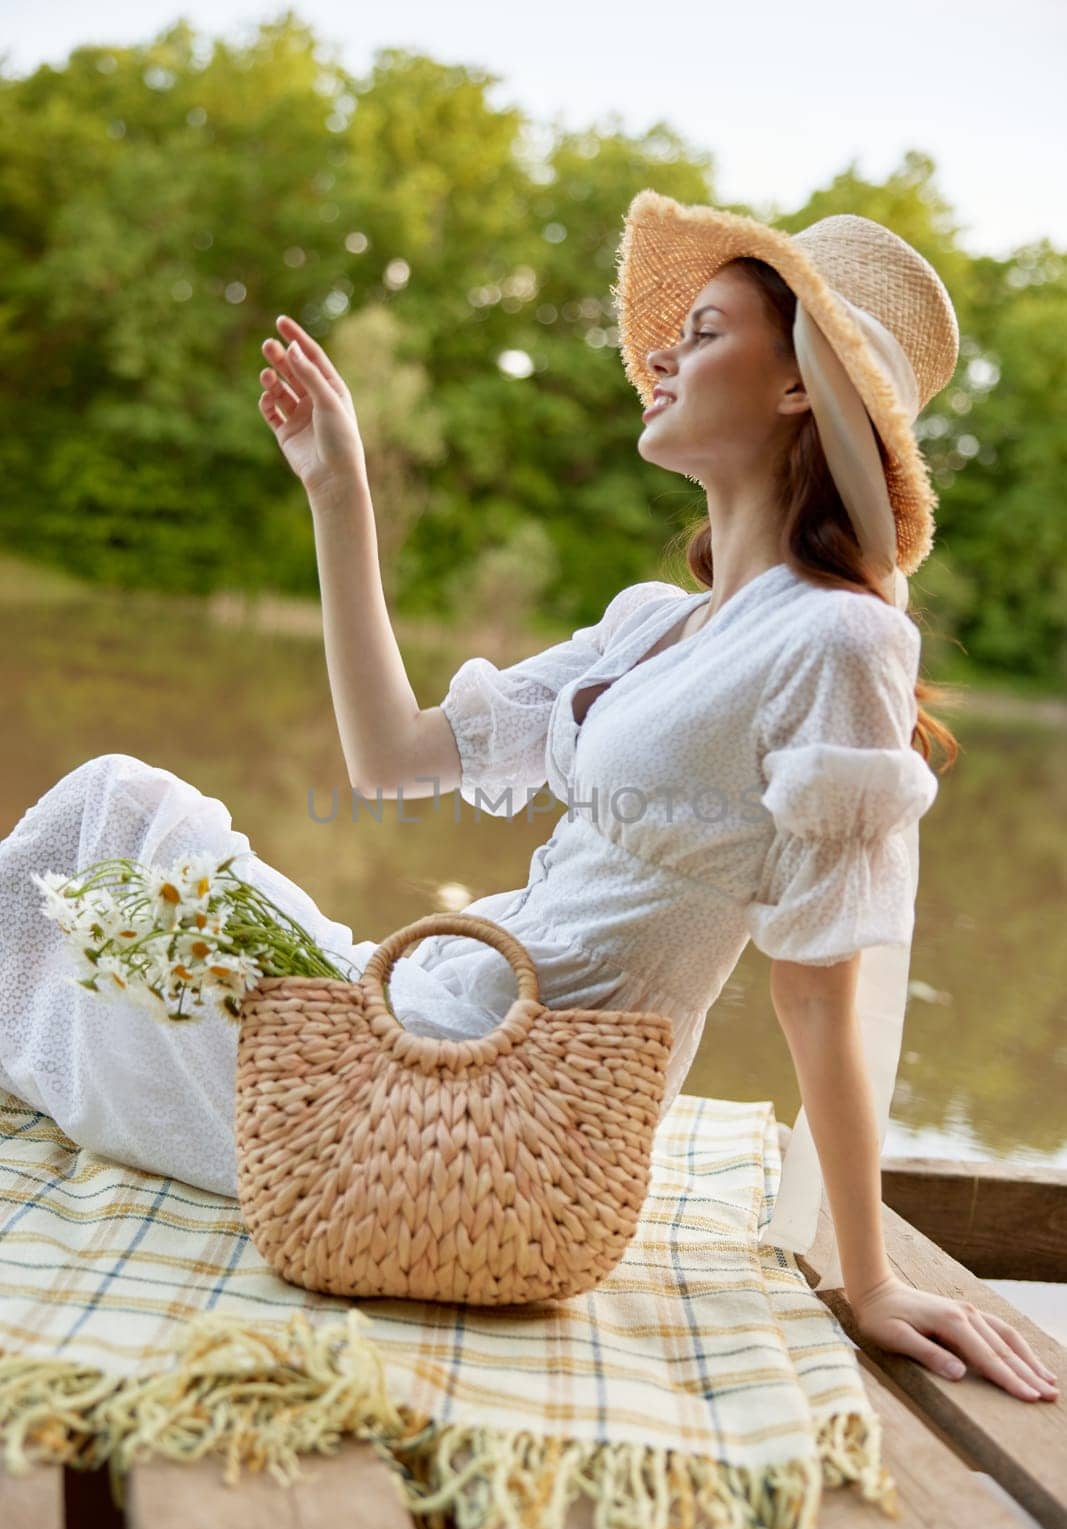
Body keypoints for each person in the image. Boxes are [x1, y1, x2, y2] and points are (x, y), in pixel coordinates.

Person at [0, 192, 1056, 1406]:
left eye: (704, 332)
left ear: (796, 386)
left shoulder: (836, 640)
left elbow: (821, 984)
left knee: (86, 910)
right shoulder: (654, 623)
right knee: (115, 807)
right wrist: (337, 491)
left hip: (493, 1121)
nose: (659, 357)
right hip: (433, 1006)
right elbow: (393, 758)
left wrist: (867, 1280)